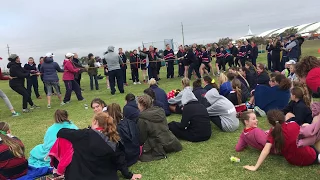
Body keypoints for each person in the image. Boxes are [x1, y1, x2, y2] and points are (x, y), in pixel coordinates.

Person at [56, 112, 141, 180]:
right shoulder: (113, 140)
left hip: (79, 175)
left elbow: (61, 132)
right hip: (105, 176)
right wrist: (129, 175)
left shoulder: (84, 134)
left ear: (95, 122)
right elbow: (120, 160)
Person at [244, 110, 320, 171]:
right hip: (310, 156)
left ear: (269, 122)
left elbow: (265, 150)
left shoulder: (272, 133)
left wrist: (255, 167)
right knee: (310, 131)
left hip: (292, 160)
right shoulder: (293, 125)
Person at [137, 94, 182, 162]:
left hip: (158, 144)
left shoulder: (142, 119)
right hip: (169, 139)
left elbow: (142, 138)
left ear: (141, 105)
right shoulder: (160, 112)